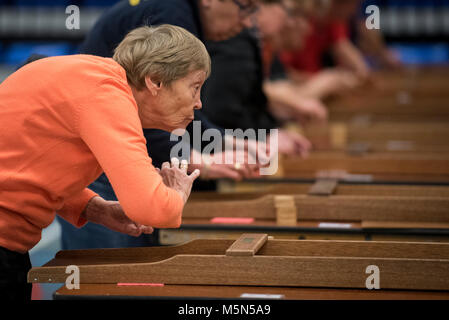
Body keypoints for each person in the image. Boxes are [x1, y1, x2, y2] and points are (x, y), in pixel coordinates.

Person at [0, 24, 209, 301]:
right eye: (194, 88)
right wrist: (179, 192)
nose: (199, 104)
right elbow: (154, 209)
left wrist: (97, 209)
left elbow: (33, 167)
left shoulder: (95, 80)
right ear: (155, 81)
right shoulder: (106, 93)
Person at [57, 0, 277, 250]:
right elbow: (159, 210)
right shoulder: (170, 16)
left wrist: (225, 140)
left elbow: (168, 108)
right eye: (246, 7)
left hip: (74, 167)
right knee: (104, 276)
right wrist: (196, 167)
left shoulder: (113, 90)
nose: (249, 22)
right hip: (85, 171)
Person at [201, 0, 315, 157]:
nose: (291, 21)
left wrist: (271, 132)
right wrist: (265, 138)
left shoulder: (250, 43)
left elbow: (248, 105)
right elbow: (220, 114)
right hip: (210, 161)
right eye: (289, 12)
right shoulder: (238, 42)